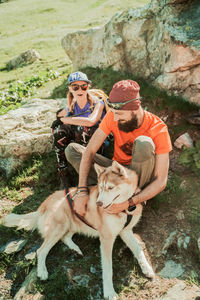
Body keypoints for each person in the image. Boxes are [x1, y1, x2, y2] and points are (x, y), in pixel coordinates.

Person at [64, 79, 172, 215]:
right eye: (113, 114)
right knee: (72, 150)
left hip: (139, 176)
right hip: (116, 171)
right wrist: (82, 191)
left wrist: (130, 202)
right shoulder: (113, 115)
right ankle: (106, 192)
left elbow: (161, 181)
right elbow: (90, 151)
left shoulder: (158, 128)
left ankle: (131, 200)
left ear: (135, 109)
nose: (114, 119)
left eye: (119, 115)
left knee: (144, 142)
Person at [51, 71, 107, 187]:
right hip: (80, 142)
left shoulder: (98, 103)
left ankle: (90, 169)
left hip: (99, 143)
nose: (80, 90)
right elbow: (60, 117)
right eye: (75, 87)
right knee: (58, 130)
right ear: (70, 89)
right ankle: (64, 172)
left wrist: (64, 120)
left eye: (83, 86)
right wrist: (60, 119)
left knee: (83, 127)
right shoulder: (70, 107)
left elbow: (91, 121)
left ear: (88, 87)